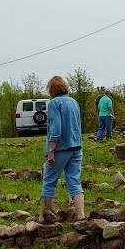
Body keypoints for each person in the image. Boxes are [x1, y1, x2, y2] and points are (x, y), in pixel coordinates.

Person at [42, 76, 85, 220]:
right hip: (76, 147)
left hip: (61, 148)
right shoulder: (74, 102)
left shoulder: (54, 103)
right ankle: (81, 215)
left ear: (52, 89)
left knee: (49, 180)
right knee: (74, 181)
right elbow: (78, 124)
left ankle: (45, 215)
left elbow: (56, 128)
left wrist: (51, 150)